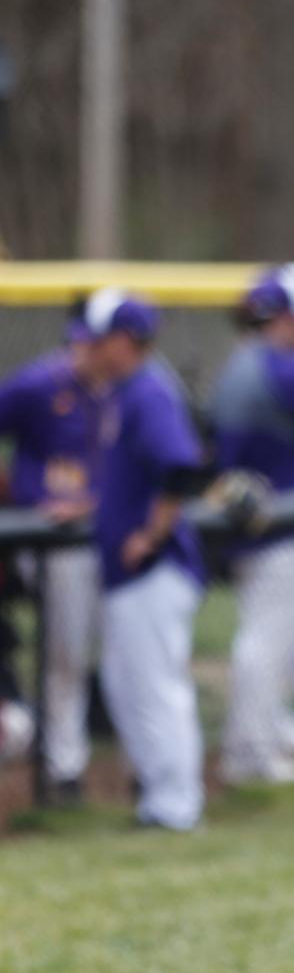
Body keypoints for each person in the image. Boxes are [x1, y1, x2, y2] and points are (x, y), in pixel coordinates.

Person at [208, 265, 294, 784]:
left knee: (265, 639)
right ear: (283, 316)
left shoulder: (245, 364)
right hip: (276, 531)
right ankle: (250, 753)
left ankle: (256, 741)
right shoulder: (277, 367)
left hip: (263, 526)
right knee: (265, 642)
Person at [79, 288, 207, 831]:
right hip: (136, 574)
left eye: (100, 338)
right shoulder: (131, 389)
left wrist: (151, 534)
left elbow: (181, 466)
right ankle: (160, 799)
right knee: (127, 684)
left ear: (126, 340)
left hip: (155, 570)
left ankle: (175, 806)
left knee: (155, 688)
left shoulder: (147, 391)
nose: (90, 348)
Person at [0, 317, 107, 800]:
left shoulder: (132, 389)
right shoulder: (37, 384)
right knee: (64, 651)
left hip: (109, 536)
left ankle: (124, 760)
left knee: (116, 653)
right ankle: (65, 766)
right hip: (52, 542)